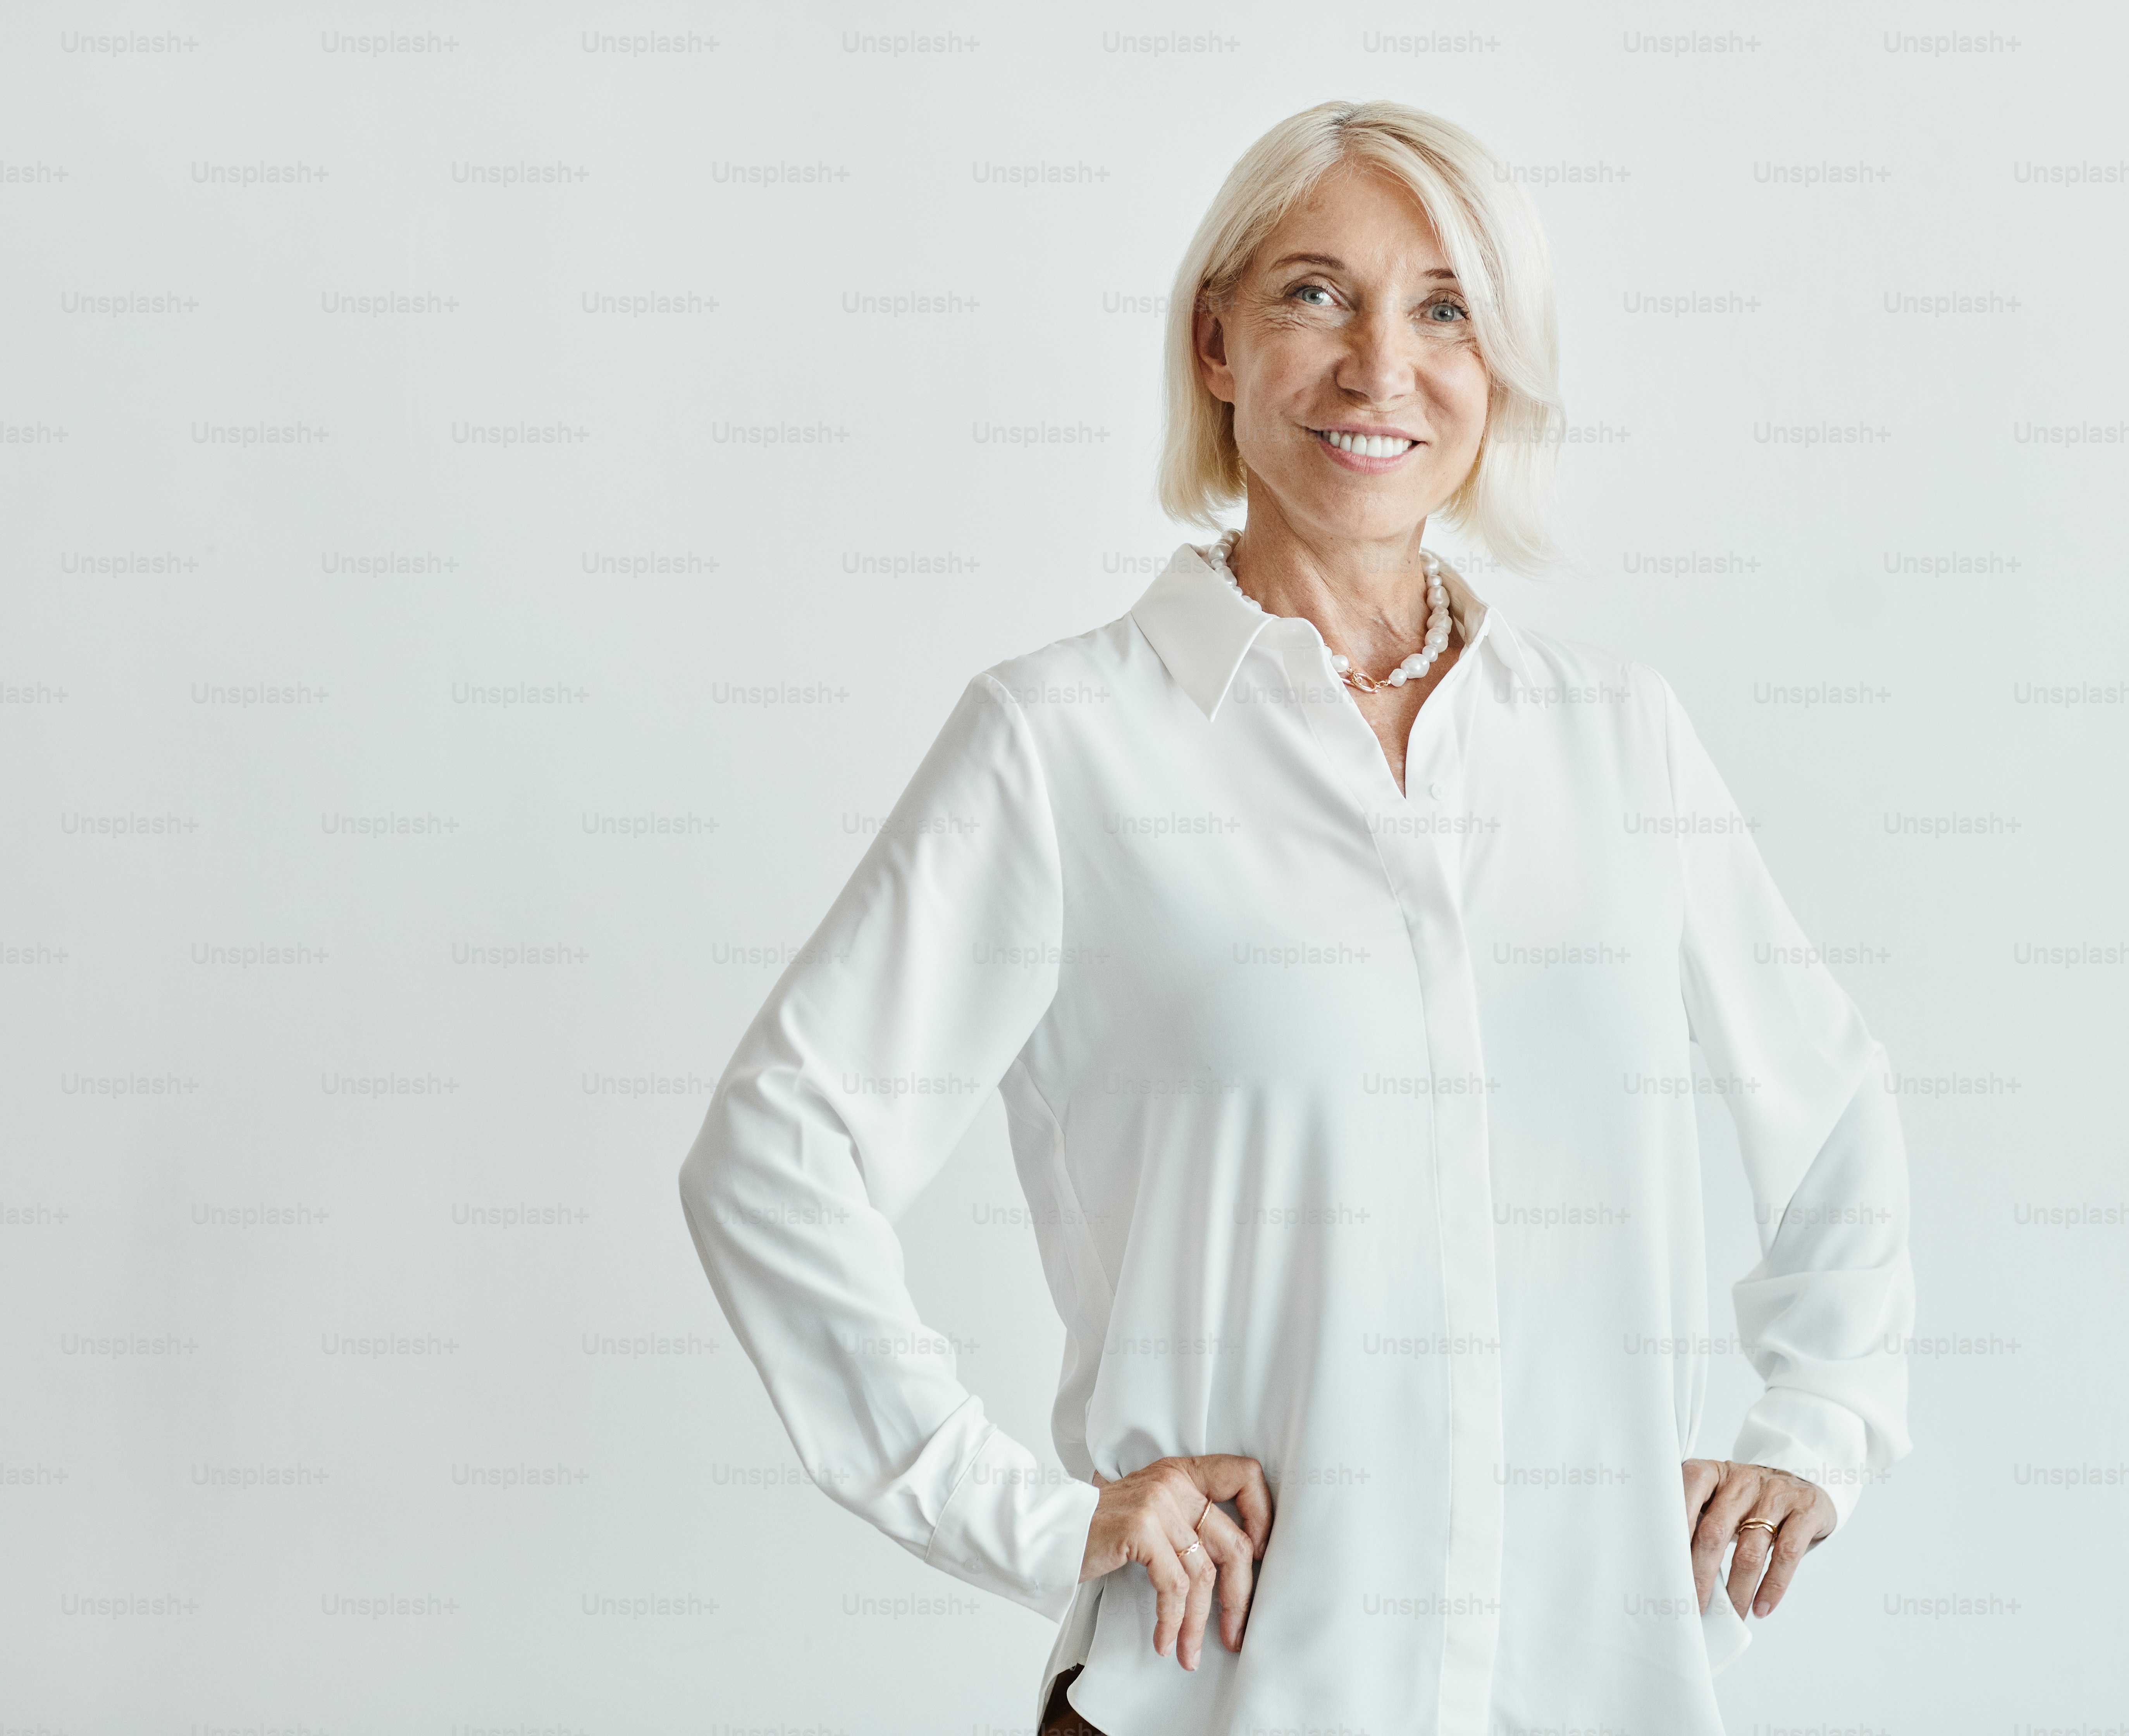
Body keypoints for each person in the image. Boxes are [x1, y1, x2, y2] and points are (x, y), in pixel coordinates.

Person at [677, 98, 1914, 1736]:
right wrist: (1032, 1518)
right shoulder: (1066, 746)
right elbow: (776, 1147)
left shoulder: (1618, 741)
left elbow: (1832, 1111)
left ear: (1502, 368)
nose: (1381, 368)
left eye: (1446, 309)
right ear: (1217, 342)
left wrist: (1818, 1417)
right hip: (1215, 1698)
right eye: (1315, 293)